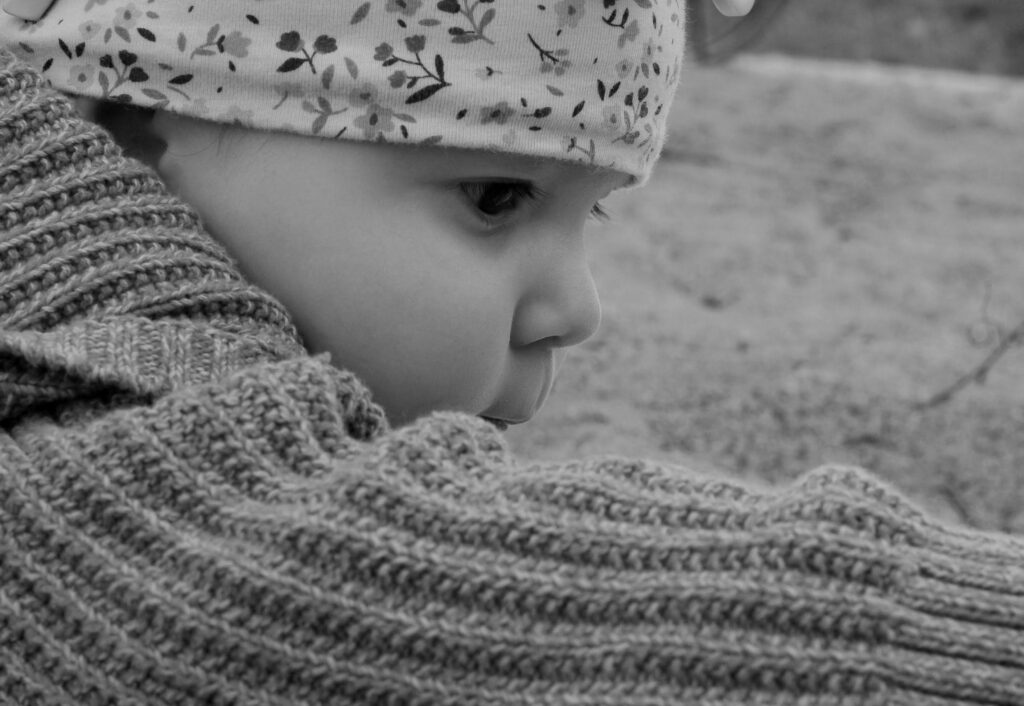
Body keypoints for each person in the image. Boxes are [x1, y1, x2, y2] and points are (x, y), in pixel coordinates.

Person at [1, 1, 1021, 704]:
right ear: (133, 133)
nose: (579, 309)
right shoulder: (75, 425)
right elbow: (371, 585)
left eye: (593, 214)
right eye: (497, 197)